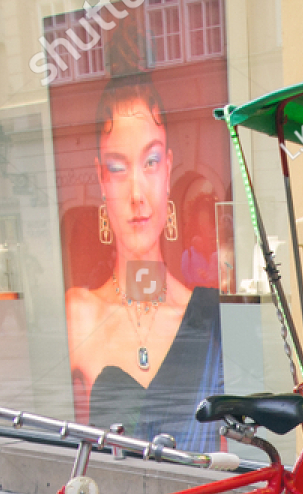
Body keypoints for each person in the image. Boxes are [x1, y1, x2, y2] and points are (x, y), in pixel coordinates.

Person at [67, 74, 223, 449]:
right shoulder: (81, 313)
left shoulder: (206, 315)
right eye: (118, 168)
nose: (137, 194)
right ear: (101, 179)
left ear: (168, 170)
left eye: (150, 161)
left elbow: (226, 455)